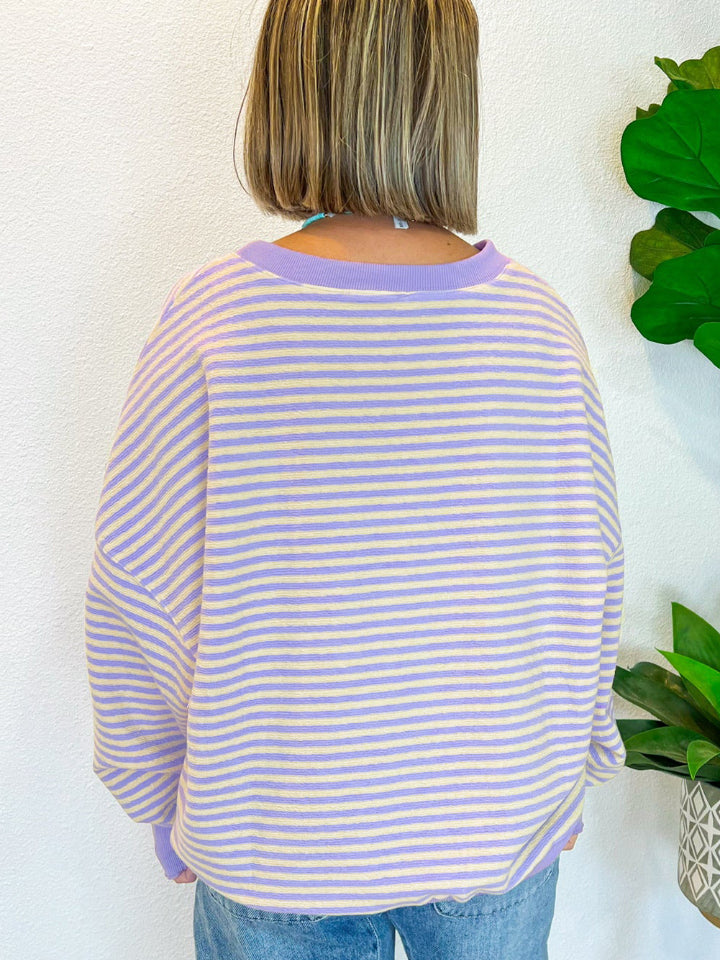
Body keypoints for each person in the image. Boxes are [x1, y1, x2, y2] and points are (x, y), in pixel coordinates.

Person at [83, 1, 625, 958]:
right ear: (447, 101)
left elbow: (137, 593)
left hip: (274, 840)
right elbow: (583, 576)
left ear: (288, 88)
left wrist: (157, 793)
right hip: (494, 828)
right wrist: (577, 760)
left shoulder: (213, 323)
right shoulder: (536, 326)